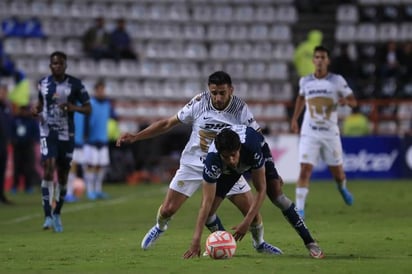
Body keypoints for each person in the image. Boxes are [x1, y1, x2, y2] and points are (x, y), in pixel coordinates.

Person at [117, 71, 323, 258]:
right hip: (195, 162)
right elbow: (168, 123)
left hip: (227, 163)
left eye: (222, 93)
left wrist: (271, 169)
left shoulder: (240, 109)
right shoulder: (199, 102)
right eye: (214, 92)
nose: (217, 97)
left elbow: (258, 139)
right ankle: (161, 228)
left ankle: (259, 243)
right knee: (168, 210)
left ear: (230, 90)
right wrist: (136, 137)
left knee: (252, 214)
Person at [183, 126, 281, 258]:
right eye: (226, 156)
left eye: (233, 155)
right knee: (208, 212)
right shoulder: (212, 161)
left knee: (253, 215)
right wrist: (196, 239)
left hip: (237, 173)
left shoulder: (250, 148)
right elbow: (206, 203)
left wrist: (246, 223)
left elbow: (261, 190)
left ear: (238, 149)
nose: (231, 159)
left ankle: (260, 244)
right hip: (221, 176)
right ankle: (223, 243)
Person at [291, 45, 357, 219]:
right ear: (313, 60)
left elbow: (353, 101)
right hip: (309, 131)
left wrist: (346, 101)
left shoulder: (337, 80)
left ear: (327, 60)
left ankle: (342, 188)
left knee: (338, 173)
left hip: (330, 133)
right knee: (305, 169)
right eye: (317, 57)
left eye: (323, 57)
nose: (319, 60)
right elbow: (300, 98)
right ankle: (299, 209)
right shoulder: (305, 81)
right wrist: (294, 119)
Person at [31, 51, 91, 232]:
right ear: (50, 66)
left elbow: (88, 109)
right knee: (48, 167)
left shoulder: (75, 85)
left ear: (65, 65)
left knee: (63, 174)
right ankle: (47, 214)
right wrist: (36, 109)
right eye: (54, 64)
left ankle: (57, 212)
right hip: (47, 131)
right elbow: (41, 104)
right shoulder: (43, 83)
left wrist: (72, 107)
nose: (57, 66)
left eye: (60, 63)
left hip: (67, 133)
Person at [83, 80, 116, 200]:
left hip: (103, 139)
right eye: (100, 90)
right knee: (91, 165)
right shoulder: (90, 104)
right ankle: (90, 190)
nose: (102, 92)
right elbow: (85, 121)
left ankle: (98, 190)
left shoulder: (108, 104)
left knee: (101, 166)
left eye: (103, 90)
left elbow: (113, 118)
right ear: (95, 91)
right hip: (91, 140)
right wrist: (85, 135)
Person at [10, 105, 40, 194]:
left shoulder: (32, 121)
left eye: (26, 111)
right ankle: (15, 186)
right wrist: (13, 140)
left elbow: (36, 132)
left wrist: (34, 140)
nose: (24, 112)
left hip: (28, 146)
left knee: (29, 167)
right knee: (17, 167)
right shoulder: (15, 119)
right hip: (18, 146)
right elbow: (11, 131)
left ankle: (28, 186)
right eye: (23, 110)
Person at [64, 110, 86, 203]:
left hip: (79, 142)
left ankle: (69, 193)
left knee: (74, 167)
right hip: (69, 141)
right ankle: (67, 193)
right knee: (70, 167)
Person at [0, 84, 12, 204]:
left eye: (4, 92)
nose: (3, 95)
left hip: (4, 142)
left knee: (2, 169)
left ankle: (1, 195)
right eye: (1, 92)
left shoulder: (6, 107)